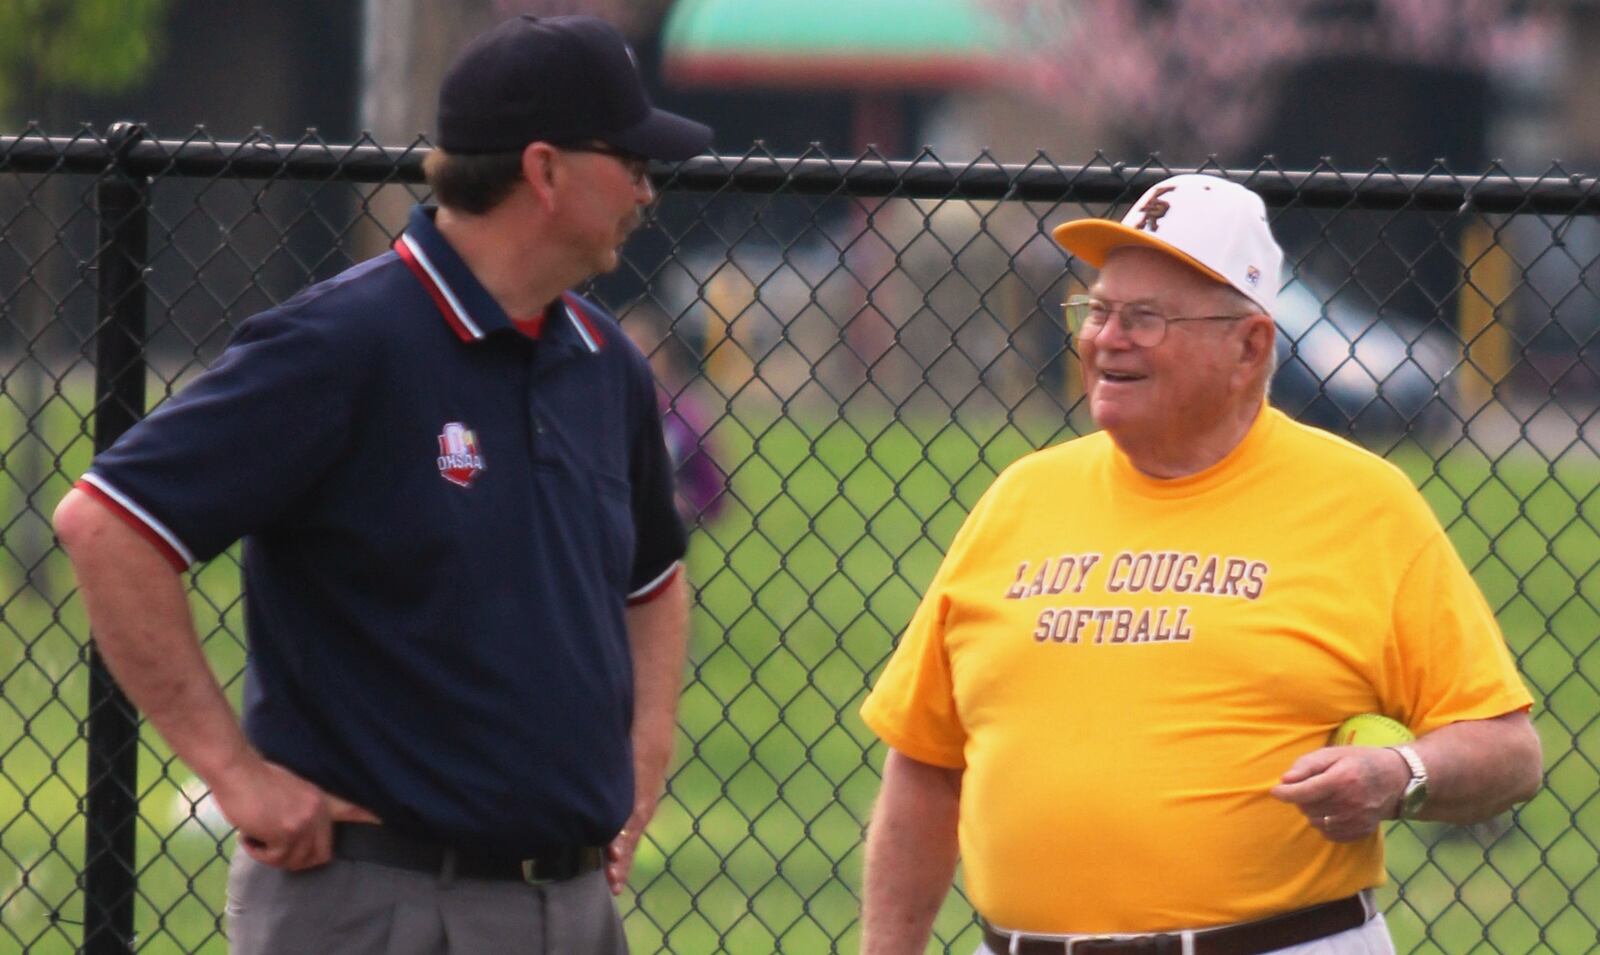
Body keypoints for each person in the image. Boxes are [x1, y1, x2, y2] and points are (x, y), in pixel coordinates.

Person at [52, 15, 710, 954]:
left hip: (570, 907)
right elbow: (108, 523)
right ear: (544, 169)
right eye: (631, 160)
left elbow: (654, 579)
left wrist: (644, 753)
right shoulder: (344, 343)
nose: (650, 186)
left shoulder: (605, 364)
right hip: (376, 901)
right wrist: (234, 775)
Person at [858, 174, 1542, 955]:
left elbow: (1508, 750)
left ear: (1248, 346)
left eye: (1145, 319)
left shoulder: (1362, 503)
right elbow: (924, 766)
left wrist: (1400, 772)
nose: (1104, 338)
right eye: (1099, 310)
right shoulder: (1020, 499)